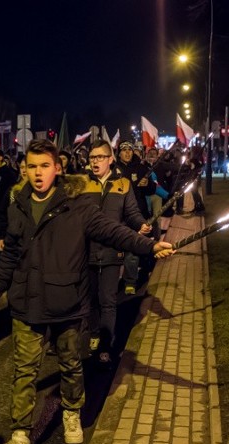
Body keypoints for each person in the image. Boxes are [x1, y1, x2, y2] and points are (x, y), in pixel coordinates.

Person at [0, 140, 173, 444]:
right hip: (27, 303)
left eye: (44, 165)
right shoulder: (19, 205)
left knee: (71, 365)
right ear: (24, 169)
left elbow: (114, 231)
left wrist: (148, 246)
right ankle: (20, 436)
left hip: (66, 302)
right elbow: (11, 252)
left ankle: (72, 411)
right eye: (32, 166)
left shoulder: (79, 206)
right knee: (24, 371)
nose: (38, 173)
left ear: (58, 168)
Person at [84, 140, 152, 364]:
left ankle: (105, 343)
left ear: (110, 159)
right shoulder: (82, 183)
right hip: (87, 251)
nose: (95, 161)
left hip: (113, 250)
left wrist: (140, 224)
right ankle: (93, 333)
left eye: (100, 157)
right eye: (92, 157)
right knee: (91, 298)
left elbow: (131, 213)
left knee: (108, 299)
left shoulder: (123, 184)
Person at [116, 141, 157, 293]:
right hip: (119, 215)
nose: (127, 153)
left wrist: (147, 184)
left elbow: (152, 189)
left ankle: (130, 282)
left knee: (132, 250)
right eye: (124, 150)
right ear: (119, 152)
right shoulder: (114, 169)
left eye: (130, 150)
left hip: (137, 214)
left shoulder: (140, 168)